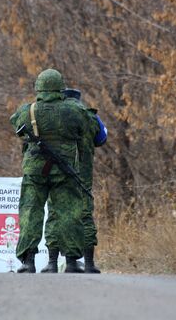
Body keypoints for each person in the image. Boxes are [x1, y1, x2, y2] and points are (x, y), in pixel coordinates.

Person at [10, 69, 91, 273]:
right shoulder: (73, 110)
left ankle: (28, 261)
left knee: (30, 212)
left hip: (35, 171)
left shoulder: (27, 111)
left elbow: (15, 123)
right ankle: (72, 261)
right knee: (69, 212)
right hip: (64, 171)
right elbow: (87, 127)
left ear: (38, 88)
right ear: (60, 87)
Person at [42, 88, 107, 274]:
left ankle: (52, 263)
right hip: (83, 175)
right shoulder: (90, 116)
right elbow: (102, 138)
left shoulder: (56, 116)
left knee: (55, 212)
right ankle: (88, 264)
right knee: (84, 213)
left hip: (59, 173)